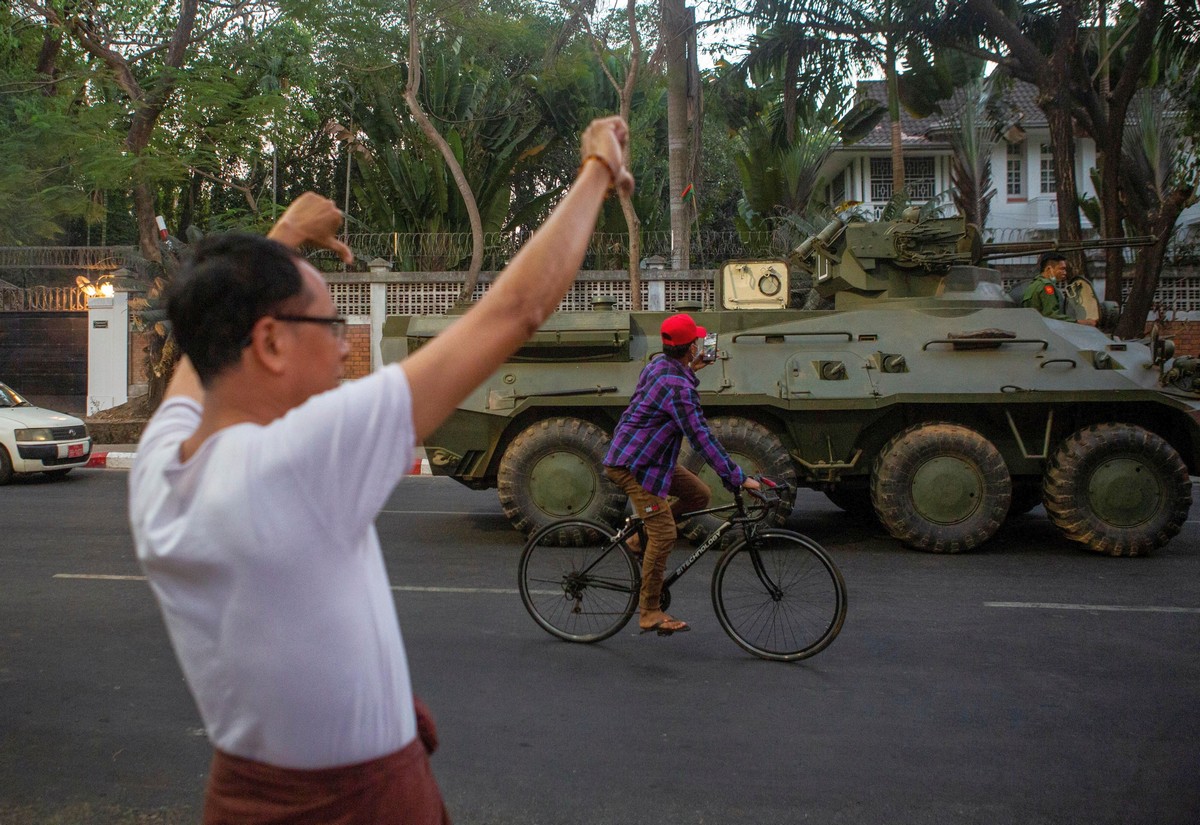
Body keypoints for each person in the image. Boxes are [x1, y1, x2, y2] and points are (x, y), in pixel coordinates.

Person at [128, 116, 634, 824]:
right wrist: (596, 170)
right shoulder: (294, 460)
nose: (344, 349)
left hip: (245, 795)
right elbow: (515, 311)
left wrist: (282, 236)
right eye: (332, 327)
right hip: (354, 806)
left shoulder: (161, 466)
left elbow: (201, 351)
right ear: (270, 342)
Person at [603, 313, 761, 636]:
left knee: (699, 495)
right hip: (632, 464)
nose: (699, 346)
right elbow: (701, 436)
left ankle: (636, 539)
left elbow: (673, 385)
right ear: (689, 348)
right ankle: (648, 611)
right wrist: (737, 476)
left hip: (652, 457)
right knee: (664, 535)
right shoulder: (679, 388)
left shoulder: (659, 365)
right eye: (695, 343)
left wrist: (691, 368)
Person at [1021, 251, 1097, 326]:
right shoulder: (1047, 286)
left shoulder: (1033, 285)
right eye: (1062, 269)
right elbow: (1052, 316)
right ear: (1049, 269)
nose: (1065, 272)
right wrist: (1081, 322)